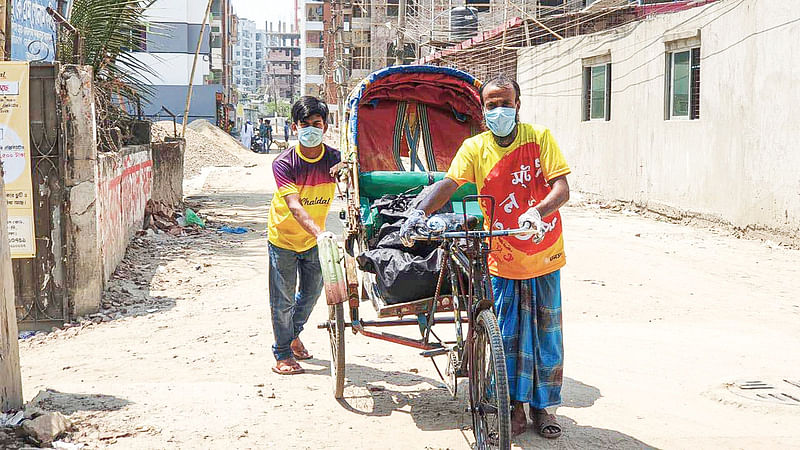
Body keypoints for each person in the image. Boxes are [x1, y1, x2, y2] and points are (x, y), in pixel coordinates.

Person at [400, 74, 570, 439]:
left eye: (505, 103)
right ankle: (514, 409)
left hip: (543, 251)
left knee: (546, 336)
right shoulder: (474, 148)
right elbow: (449, 183)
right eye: (492, 105)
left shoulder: (539, 138)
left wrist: (537, 212)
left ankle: (544, 408)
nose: (499, 110)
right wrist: (420, 212)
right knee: (506, 338)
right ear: (482, 110)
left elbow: (561, 188)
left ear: (518, 105)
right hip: (504, 255)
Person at [267, 96, 343, 375]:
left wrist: (344, 173)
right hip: (284, 238)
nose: (310, 129)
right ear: (294, 127)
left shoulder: (335, 159)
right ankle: (283, 353)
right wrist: (320, 232)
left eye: (316, 124)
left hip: (315, 241)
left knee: (311, 295)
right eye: (304, 124)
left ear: (325, 126)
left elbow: (351, 184)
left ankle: (292, 335)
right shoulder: (284, 163)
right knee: (282, 299)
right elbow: (294, 206)